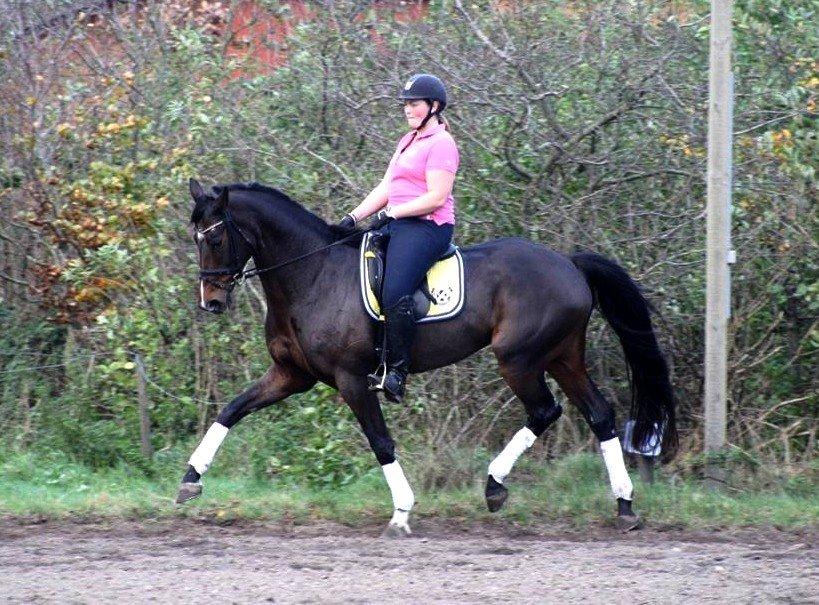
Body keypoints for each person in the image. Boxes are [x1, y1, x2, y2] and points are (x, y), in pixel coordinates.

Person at [336, 74, 459, 403]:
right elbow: (387, 187)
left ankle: (397, 372)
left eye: (414, 104)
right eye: (405, 104)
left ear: (433, 107)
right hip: (400, 221)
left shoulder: (441, 144)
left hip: (428, 226)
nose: (407, 109)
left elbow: (436, 197)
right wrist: (353, 217)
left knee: (394, 289)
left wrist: (393, 213)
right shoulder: (408, 141)